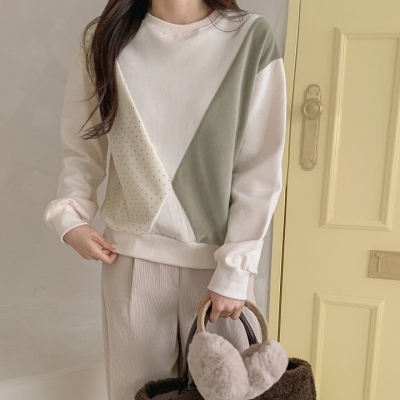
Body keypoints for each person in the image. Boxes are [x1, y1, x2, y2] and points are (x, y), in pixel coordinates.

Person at [43, 0, 287, 398]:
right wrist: (70, 216)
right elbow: (81, 147)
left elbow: (259, 169)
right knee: (136, 394)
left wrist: (235, 269)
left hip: (216, 270)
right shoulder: (102, 39)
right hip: (131, 264)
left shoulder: (250, 37)